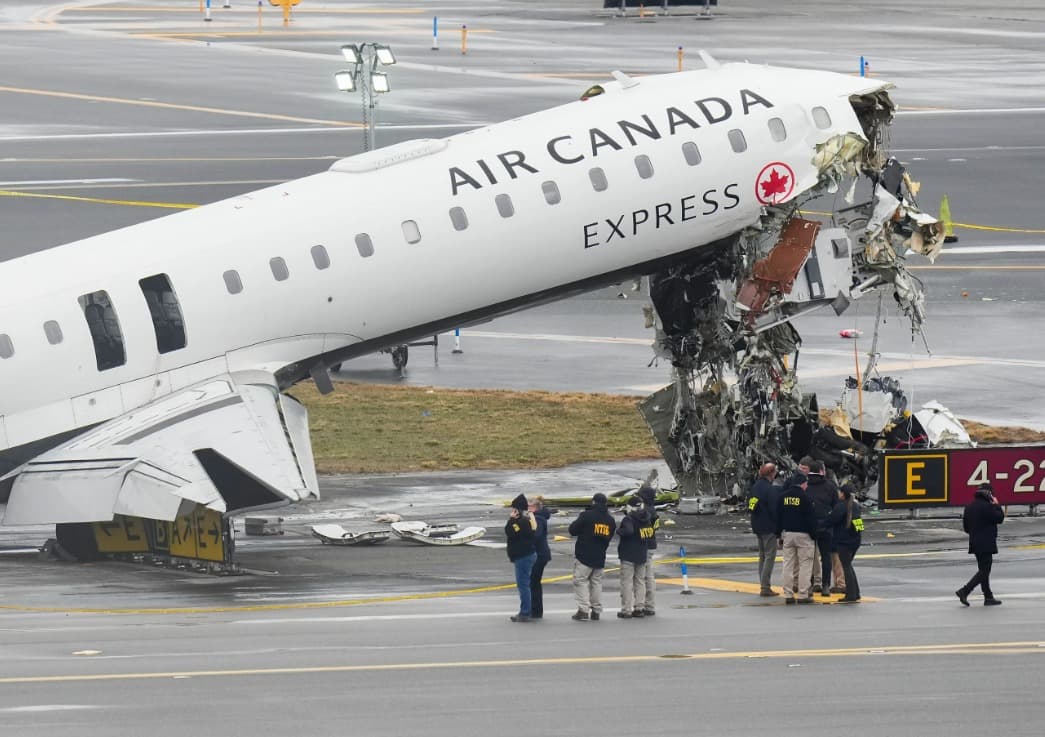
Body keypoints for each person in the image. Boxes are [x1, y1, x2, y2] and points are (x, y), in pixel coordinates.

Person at [568, 492, 617, 621]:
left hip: (584, 554)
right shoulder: (610, 520)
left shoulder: (586, 515)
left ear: (593, 502)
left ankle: (583, 610)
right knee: (596, 583)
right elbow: (609, 537)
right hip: (600, 554)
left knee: (581, 581)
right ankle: (596, 610)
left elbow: (572, 530)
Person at [956, 483, 1005, 606]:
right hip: (986, 542)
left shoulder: (969, 507)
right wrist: (997, 505)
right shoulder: (988, 507)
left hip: (974, 542)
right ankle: (965, 591)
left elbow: (966, 528)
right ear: (989, 494)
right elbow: (1000, 518)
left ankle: (988, 597)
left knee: (983, 570)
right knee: (984, 571)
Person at [776, 472, 817, 604]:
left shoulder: (783, 497)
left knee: (787, 564)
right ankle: (803, 594)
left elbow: (778, 517)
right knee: (805, 564)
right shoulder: (806, 498)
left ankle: (788, 594)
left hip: (788, 534)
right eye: (806, 484)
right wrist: (814, 534)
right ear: (803, 484)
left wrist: (778, 534)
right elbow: (811, 519)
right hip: (804, 535)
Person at [806, 459, 839, 596]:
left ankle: (809, 585)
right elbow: (836, 505)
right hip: (825, 525)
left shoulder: (805, 485)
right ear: (821, 471)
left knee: (808, 558)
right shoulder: (830, 486)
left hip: (808, 526)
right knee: (826, 557)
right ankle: (826, 585)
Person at [617, 495, 653, 618]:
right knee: (640, 582)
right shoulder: (647, 519)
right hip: (642, 553)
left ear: (630, 506)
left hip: (628, 554)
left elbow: (629, 531)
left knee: (626, 582)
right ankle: (639, 607)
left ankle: (626, 609)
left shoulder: (629, 519)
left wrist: (619, 531)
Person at [747, 462, 780, 596]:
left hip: (757, 526)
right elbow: (774, 510)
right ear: (772, 474)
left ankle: (763, 584)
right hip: (768, 527)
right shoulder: (770, 489)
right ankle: (765, 587)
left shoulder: (755, 487)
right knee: (769, 557)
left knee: (762, 556)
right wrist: (778, 529)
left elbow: (750, 505)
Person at [827, 483, 863, 602]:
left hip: (843, 541)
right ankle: (855, 592)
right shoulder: (856, 506)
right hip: (854, 541)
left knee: (846, 567)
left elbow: (831, 521)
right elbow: (859, 526)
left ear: (843, 493)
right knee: (849, 566)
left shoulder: (840, 507)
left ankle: (851, 594)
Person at [505, 493, 537, 622]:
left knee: (523, 585)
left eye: (514, 509)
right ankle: (528, 610)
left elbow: (511, 532)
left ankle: (525, 612)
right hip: (524, 555)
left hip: (524, 556)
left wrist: (511, 520)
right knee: (525, 584)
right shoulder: (525, 520)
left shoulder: (522, 522)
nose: (512, 511)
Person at [638, 484, 660, 615]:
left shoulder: (645, 511)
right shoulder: (653, 510)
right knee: (648, 576)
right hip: (651, 544)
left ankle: (645, 605)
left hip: (644, 545)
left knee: (643, 577)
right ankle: (649, 605)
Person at [528, 496, 552, 619]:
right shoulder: (540, 518)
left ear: (535, 508)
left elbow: (536, 535)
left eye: (529, 507)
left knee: (533, 582)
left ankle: (535, 610)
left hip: (539, 554)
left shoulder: (537, 519)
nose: (527, 509)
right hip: (542, 554)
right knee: (534, 582)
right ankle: (536, 610)